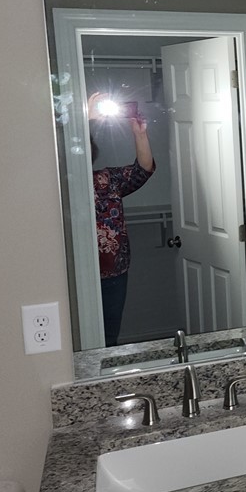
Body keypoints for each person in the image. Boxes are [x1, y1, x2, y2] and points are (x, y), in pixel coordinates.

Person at [88, 92, 155, 346]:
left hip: (114, 273)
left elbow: (143, 170)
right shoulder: (62, 185)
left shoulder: (107, 181)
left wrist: (139, 133)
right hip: (76, 274)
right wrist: (85, 119)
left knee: (108, 337)